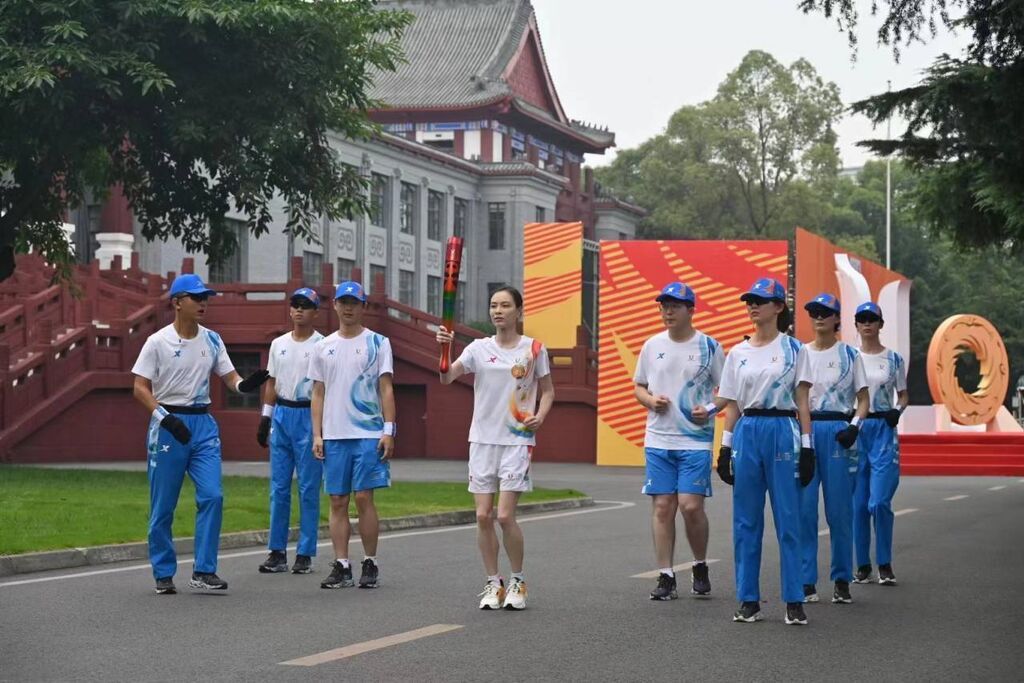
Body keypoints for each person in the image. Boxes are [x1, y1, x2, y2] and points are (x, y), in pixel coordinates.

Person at [131, 273, 270, 594]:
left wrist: (246, 385)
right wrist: (165, 419)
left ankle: (204, 570)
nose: (203, 302)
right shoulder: (158, 342)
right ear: (177, 303)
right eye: (196, 297)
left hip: (203, 426)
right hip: (169, 426)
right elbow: (139, 387)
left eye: (205, 297)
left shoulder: (212, 340)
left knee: (213, 496)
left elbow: (231, 378)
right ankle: (163, 572)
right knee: (163, 505)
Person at [435, 285, 554, 610]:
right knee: (482, 515)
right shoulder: (478, 348)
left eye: (504, 305)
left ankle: (517, 579)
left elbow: (548, 390)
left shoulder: (534, 349)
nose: (498, 311)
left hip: (517, 439)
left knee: (504, 515)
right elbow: (446, 377)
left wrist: (540, 416)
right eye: (493, 305)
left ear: (519, 311)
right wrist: (444, 350)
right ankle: (493, 582)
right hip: (482, 440)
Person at [716, 277, 815, 626]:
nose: (753, 306)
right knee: (746, 520)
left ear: (778, 306)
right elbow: (732, 405)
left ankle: (794, 599)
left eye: (760, 300)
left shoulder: (795, 350)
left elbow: (802, 401)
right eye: (749, 300)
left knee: (788, 517)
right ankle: (748, 599)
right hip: (748, 432)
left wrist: (807, 447)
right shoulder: (737, 353)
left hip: (782, 430)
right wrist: (725, 447)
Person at [633, 282, 725, 600]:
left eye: (674, 306)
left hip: (695, 440)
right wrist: (650, 400)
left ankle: (699, 564)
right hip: (658, 439)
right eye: (664, 306)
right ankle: (666, 575)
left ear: (691, 310)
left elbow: (727, 392)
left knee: (690, 506)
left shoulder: (709, 348)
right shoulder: (652, 345)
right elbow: (639, 386)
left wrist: (709, 409)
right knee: (662, 507)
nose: (667, 311)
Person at [308, 281, 395, 590]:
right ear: (334, 305)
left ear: (363, 306)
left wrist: (389, 430)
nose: (348, 308)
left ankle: (370, 561)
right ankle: (342, 564)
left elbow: (386, 388)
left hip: (368, 431)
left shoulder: (378, 343)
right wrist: (317, 435)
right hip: (334, 434)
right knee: (337, 500)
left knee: (363, 497)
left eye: (354, 303)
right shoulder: (322, 347)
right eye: (343, 302)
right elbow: (317, 393)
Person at [796, 293, 869, 606]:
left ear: (837, 318)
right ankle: (806, 580)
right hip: (807, 431)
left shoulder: (850, 355)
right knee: (804, 510)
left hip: (838, 433)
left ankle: (841, 578)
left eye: (825, 312)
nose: (819, 317)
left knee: (839, 511)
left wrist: (854, 427)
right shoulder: (800, 353)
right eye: (814, 312)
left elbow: (863, 399)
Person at [256, 287, 325, 575]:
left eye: (305, 306)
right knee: (279, 487)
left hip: (308, 413)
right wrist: (265, 417)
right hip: (282, 415)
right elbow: (272, 382)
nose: (298, 310)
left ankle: (305, 552)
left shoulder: (322, 345)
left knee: (308, 488)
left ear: (315, 312)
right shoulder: (278, 344)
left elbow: (323, 387)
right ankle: (277, 551)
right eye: (295, 305)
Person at [852, 301, 909, 586]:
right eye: (862, 319)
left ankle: (884, 563)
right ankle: (863, 564)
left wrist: (896, 411)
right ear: (856, 324)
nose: (867, 323)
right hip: (856, 430)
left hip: (883, 431)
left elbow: (904, 395)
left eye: (872, 319)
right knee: (859, 505)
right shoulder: (850, 357)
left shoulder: (894, 359)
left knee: (879, 502)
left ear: (880, 324)